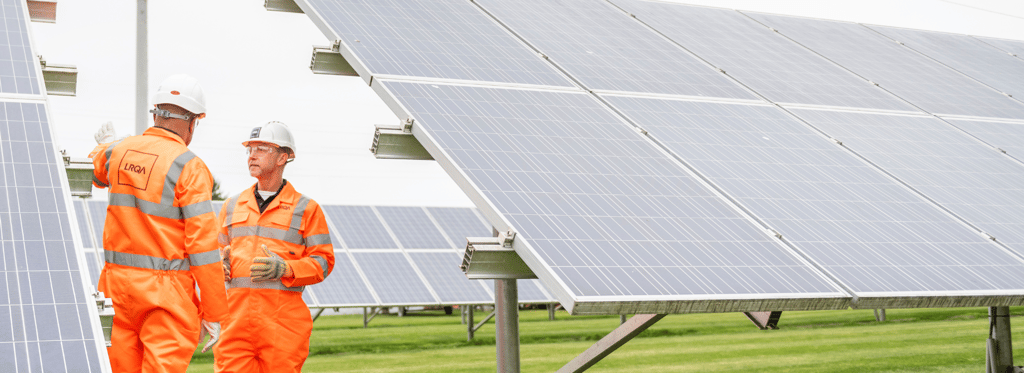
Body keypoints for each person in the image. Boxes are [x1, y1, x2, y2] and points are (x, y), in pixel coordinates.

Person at [90, 74, 228, 372]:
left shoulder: (119, 151)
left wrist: (106, 146)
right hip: (166, 295)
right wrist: (214, 311)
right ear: (192, 122)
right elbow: (203, 247)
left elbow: (98, 171)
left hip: (115, 287)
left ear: (155, 113)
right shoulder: (189, 166)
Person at [214, 121, 335, 372]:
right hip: (234, 326)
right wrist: (219, 265)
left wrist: (286, 268)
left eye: (262, 149)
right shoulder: (232, 206)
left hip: (282, 329)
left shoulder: (306, 209)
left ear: (283, 157)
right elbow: (215, 252)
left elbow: (323, 263)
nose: (252, 155)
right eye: (250, 150)